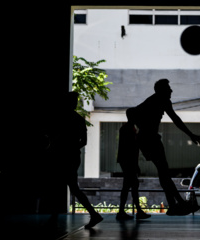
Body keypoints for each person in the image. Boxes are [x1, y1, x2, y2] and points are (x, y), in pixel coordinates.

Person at [134, 79, 200, 216]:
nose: (171, 91)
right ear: (161, 90)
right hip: (150, 139)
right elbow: (176, 120)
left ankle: (174, 204)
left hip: (149, 139)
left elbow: (134, 113)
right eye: (168, 88)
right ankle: (176, 204)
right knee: (164, 172)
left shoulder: (156, 100)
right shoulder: (158, 100)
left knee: (163, 173)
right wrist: (190, 135)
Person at [49, 92, 103, 229]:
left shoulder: (60, 118)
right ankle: (93, 214)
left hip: (62, 156)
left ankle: (54, 217)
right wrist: (72, 148)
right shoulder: (78, 119)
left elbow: (53, 137)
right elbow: (83, 141)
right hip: (72, 156)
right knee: (73, 188)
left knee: (58, 186)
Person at [116, 108, 151, 220]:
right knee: (131, 186)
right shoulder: (129, 129)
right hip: (128, 161)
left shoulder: (127, 128)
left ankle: (125, 211)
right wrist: (135, 165)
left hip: (126, 161)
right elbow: (131, 149)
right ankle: (133, 211)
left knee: (129, 186)